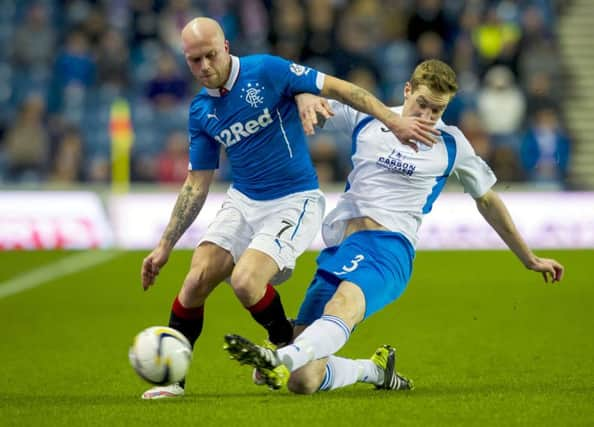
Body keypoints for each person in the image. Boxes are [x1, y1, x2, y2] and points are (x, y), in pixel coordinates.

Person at [139, 17, 439, 400]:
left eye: (210, 56)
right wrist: (165, 246)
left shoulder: (266, 70)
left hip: (294, 199)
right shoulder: (201, 112)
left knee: (246, 282)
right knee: (196, 280)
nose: (204, 67)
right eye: (194, 61)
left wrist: (393, 120)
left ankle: (283, 349)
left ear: (226, 47)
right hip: (244, 199)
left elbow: (340, 88)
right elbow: (197, 182)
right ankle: (174, 381)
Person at [224, 59, 565, 394]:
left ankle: (279, 357)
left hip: (389, 249)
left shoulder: (452, 144)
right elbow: (305, 91)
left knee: (342, 307)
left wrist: (529, 257)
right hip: (342, 248)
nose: (428, 117)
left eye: (438, 110)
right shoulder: (367, 116)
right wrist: (303, 95)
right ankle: (373, 370)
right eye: (422, 105)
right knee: (304, 380)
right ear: (407, 91)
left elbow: (487, 200)